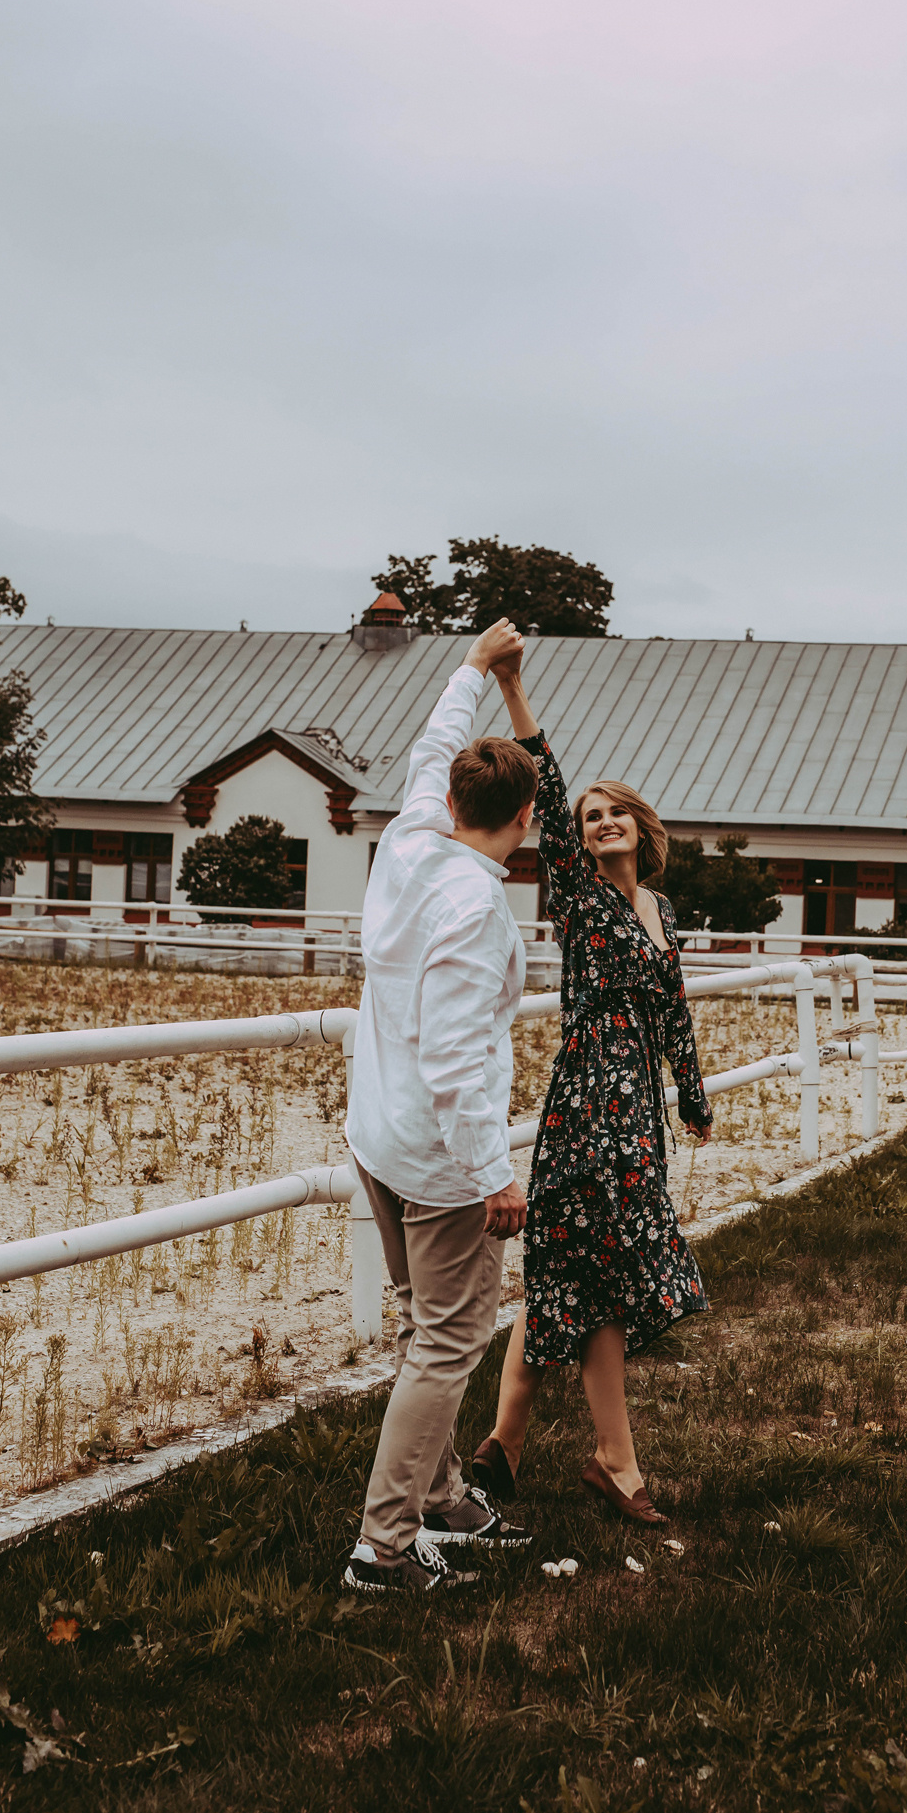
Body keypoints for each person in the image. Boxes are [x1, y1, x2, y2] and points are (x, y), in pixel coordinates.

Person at [472, 646, 712, 1527]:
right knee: (598, 1272)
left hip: (637, 1106)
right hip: (586, 1104)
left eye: (615, 814)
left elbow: (672, 1011)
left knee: (571, 1271)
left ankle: (507, 1439)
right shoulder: (577, 897)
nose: (600, 821)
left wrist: (691, 1093)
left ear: (642, 829)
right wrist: (510, 686)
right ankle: (616, 1462)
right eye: (587, 815)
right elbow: (550, 773)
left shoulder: (660, 912)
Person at [342, 619, 538, 1596]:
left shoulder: (410, 841)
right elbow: (458, 1057)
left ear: (456, 797)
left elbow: (427, 748)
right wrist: (493, 1173)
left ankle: (445, 1496)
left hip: (378, 1136)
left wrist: (471, 669)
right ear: (525, 816)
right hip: (436, 1157)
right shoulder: (476, 907)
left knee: (425, 1332)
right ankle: (382, 1550)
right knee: (450, 1344)